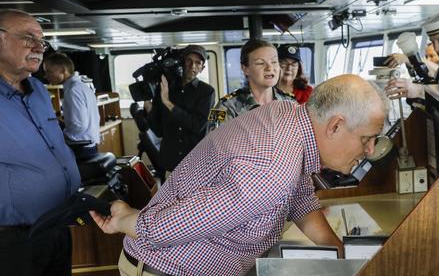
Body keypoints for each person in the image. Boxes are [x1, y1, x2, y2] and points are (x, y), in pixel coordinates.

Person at [91, 74, 388, 276]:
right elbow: (161, 230)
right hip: (168, 269)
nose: (370, 149)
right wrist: (123, 218)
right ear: (335, 126)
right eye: (367, 139)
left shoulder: (289, 116)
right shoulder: (272, 169)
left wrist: (339, 256)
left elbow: (299, 197)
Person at [0, 10, 81, 275]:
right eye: (27, 38)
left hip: (57, 225)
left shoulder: (39, 92)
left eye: (42, 41)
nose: (38, 47)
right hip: (14, 239)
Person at [144, 44, 215, 174]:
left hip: (195, 163)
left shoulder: (207, 91)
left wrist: (168, 103)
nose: (192, 66)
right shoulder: (166, 88)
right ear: (182, 62)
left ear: (202, 68)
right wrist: (150, 110)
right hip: (170, 162)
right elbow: (159, 131)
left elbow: (196, 125)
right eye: (189, 60)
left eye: (198, 63)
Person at [215, 39, 295, 124]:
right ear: (245, 69)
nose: (270, 68)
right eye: (260, 63)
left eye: (274, 62)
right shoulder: (224, 106)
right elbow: (212, 136)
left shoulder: (290, 102)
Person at [43, 52, 101, 158]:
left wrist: (61, 135)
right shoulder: (81, 86)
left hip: (81, 149)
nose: (45, 76)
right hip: (89, 146)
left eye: (49, 71)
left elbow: (79, 125)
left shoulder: (73, 90)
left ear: (63, 70)